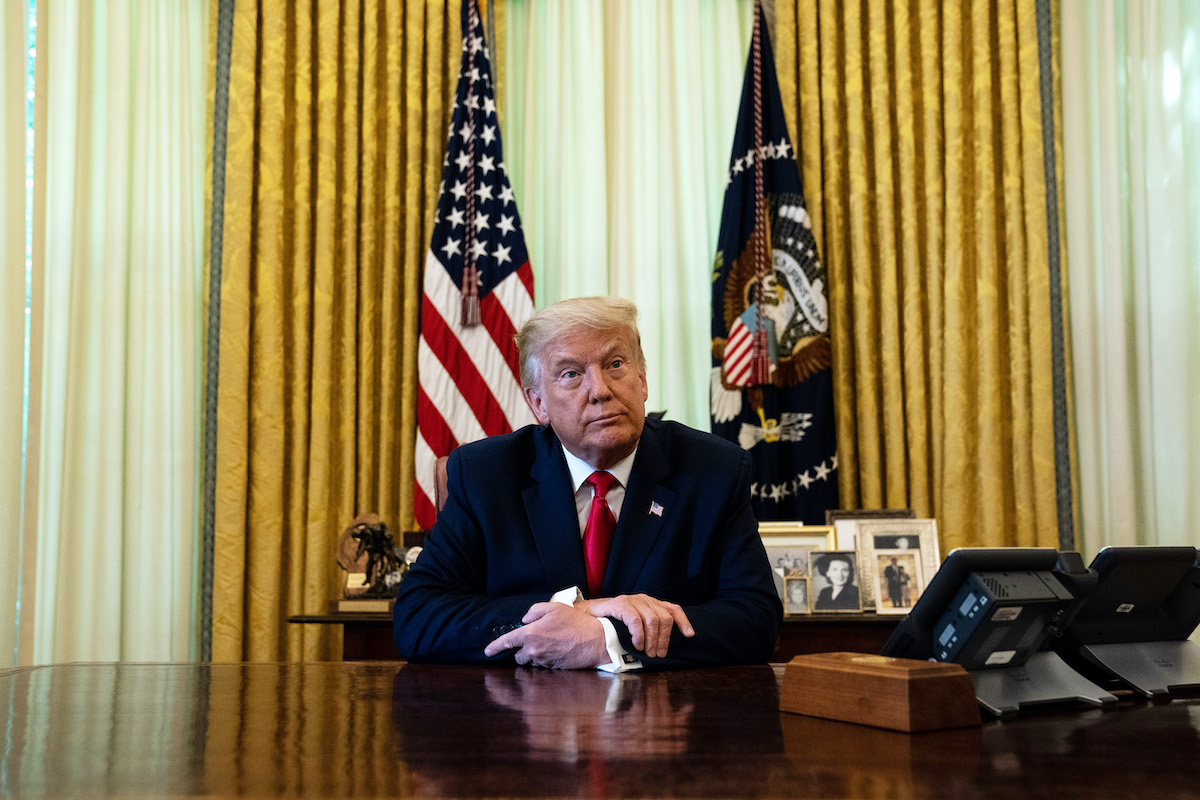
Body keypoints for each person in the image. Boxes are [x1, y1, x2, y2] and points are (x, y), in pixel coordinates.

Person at [393, 296, 782, 670]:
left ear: (643, 380)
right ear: (538, 403)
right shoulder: (484, 474)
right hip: (522, 725)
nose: (600, 390)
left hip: (663, 723)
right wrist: (574, 611)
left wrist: (607, 638)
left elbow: (755, 620)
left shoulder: (714, 470)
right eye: (571, 374)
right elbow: (418, 616)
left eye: (615, 364)